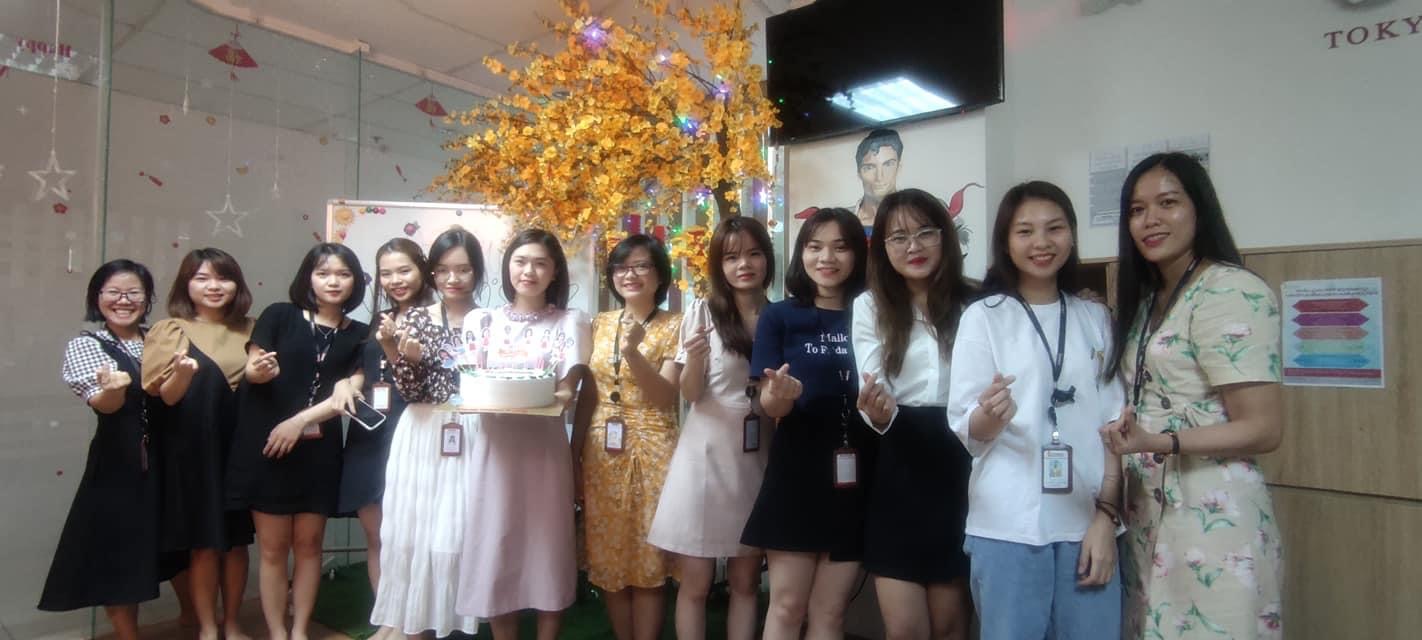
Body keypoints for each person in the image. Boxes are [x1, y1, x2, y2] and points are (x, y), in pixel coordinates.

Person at [1103, 153, 1285, 639]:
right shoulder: (1147, 301)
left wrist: (1159, 442)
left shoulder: (1231, 291)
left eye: (1167, 203)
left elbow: (1263, 428)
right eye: (1137, 210)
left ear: (1199, 209)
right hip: (1147, 513)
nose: (1150, 220)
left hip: (1212, 511)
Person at [948, 181, 1124, 639]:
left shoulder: (1095, 318)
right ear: (1006, 242)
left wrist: (1106, 518)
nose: (1041, 242)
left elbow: (1116, 429)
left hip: (1087, 526)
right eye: (1025, 231)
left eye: (1054, 228)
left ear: (1072, 236)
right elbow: (967, 429)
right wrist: (990, 417)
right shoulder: (984, 316)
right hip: (1007, 526)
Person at [741, 207, 874, 640]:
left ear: (858, 255)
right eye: (815, 247)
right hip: (796, 473)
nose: (827, 258)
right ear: (802, 254)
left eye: (840, 247)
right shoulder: (780, 316)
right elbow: (770, 405)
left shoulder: (874, 313)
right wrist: (780, 395)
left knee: (830, 612)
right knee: (787, 606)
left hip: (858, 475)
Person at [39, 260, 190, 639]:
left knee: (181, 545)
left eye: (134, 292)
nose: (124, 300)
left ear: (147, 298)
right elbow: (104, 406)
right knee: (119, 552)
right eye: (114, 293)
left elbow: (176, 394)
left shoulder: (161, 338)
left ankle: (193, 621)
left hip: (171, 457)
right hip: (119, 464)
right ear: (97, 298)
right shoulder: (86, 345)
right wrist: (113, 388)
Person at [226, 243, 368, 640]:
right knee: (273, 548)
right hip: (270, 446)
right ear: (308, 278)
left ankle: (300, 629)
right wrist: (258, 370)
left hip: (319, 451)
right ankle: (277, 632)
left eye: (343, 274)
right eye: (323, 273)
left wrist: (299, 421)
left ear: (355, 281)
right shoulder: (280, 315)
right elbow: (252, 370)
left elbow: (349, 394)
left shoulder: (360, 334)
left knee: (309, 545)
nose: (333, 281)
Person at [455, 229, 591, 640]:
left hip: (544, 453)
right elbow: (469, 383)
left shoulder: (570, 321)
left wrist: (551, 394)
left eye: (540, 263)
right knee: (495, 546)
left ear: (555, 272)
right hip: (494, 451)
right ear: (507, 266)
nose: (528, 271)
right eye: (520, 261)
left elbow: (567, 390)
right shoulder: (482, 321)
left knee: (547, 549)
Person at [853, 188, 974, 640]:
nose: (913, 247)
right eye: (898, 237)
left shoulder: (976, 303)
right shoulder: (870, 305)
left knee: (950, 625)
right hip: (900, 456)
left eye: (925, 233)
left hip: (963, 456)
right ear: (883, 248)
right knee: (905, 628)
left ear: (945, 236)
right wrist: (879, 413)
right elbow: (871, 381)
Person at [648, 217, 775, 640]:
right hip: (704, 453)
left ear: (767, 259)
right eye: (732, 256)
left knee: (745, 582)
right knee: (696, 582)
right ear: (719, 265)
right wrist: (697, 357)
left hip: (758, 453)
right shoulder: (702, 312)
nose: (744, 265)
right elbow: (690, 393)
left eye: (754, 254)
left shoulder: (779, 316)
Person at [370, 227, 485, 638]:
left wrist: (422, 358)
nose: (453, 279)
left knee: (457, 527)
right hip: (421, 429)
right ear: (432, 273)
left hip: (471, 429)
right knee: (413, 527)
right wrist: (399, 353)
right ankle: (410, 621)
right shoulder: (417, 317)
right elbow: (410, 390)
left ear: (477, 272)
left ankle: (455, 619)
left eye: (463, 270)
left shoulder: (490, 321)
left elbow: (484, 383)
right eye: (443, 270)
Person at [142, 248, 256, 640]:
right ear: (186, 285)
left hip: (241, 449)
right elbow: (165, 396)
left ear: (237, 285)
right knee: (204, 544)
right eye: (202, 278)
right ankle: (207, 626)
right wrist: (183, 374)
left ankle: (233, 623)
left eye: (223, 278)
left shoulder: (254, 329)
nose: (213, 286)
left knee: (237, 543)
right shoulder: (170, 330)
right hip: (193, 451)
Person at [576, 234, 683, 640]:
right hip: (602, 446)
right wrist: (574, 453)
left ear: (660, 275)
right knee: (609, 554)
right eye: (621, 267)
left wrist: (634, 354)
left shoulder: (675, 325)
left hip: (655, 445)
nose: (630, 275)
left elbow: (665, 396)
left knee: (648, 554)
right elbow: (589, 395)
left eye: (641, 266)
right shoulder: (599, 323)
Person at [337, 238, 432, 595]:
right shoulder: (379, 320)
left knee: (411, 537)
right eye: (387, 274)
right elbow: (361, 369)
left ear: (422, 270)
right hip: (369, 434)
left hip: (415, 431)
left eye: (404, 270)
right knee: (376, 535)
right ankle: (385, 616)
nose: (396, 280)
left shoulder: (436, 318)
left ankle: (412, 616)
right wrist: (347, 382)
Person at [853, 129, 903, 230]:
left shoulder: (920, 214)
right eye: (869, 167)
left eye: (888, 164)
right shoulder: (843, 222)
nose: (879, 177)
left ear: (898, 168)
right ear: (859, 173)